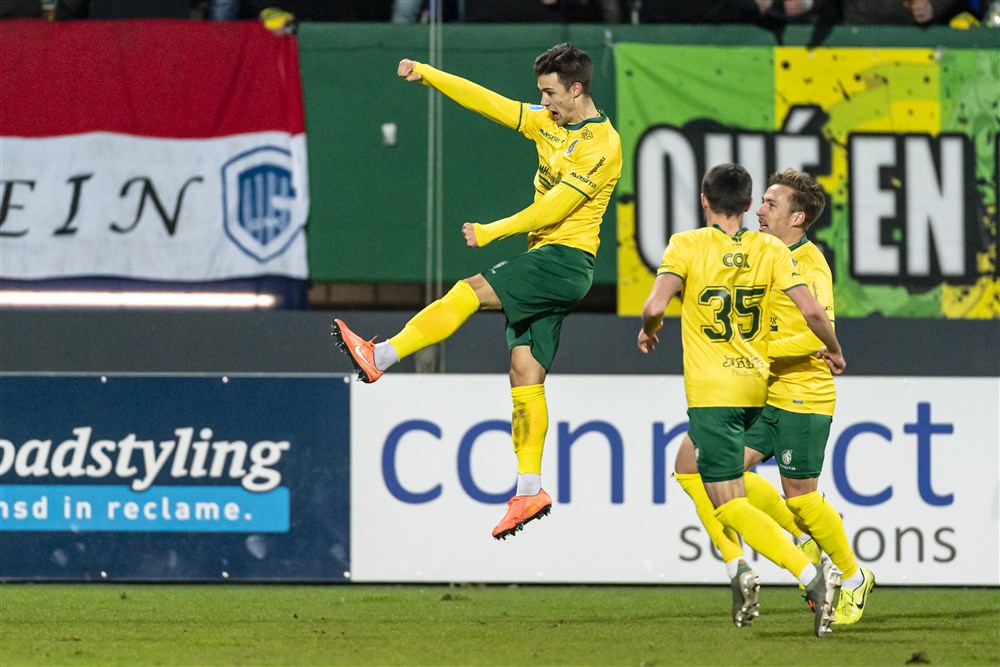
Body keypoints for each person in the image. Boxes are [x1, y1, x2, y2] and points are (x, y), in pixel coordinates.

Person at [332, 43, 622, 541]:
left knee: (468, 292)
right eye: (541, 94)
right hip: (550, 262)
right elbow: (489, 102)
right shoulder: (548, 121)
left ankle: (380, 354)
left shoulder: (602, 144)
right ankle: (529, 489)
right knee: (524, 371)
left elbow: (556, 207)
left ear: (577, 89)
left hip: (564, 260)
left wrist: (494, 230)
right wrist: (428, 73)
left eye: (551, 93)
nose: (544, 102)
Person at [637, 163, 844, 638]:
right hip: (755, 386)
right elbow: (811, 309)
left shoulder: (686, 245)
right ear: (749, 205)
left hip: (714, 391)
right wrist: (833, 348)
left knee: (727, 501)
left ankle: (806, 571)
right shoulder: (769, 249)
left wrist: (651, 330)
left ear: (704, 202)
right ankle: (739, 564)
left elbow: (653, 307)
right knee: (689, 465)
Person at [672, 168, 875, 627]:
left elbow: (816, 336)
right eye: (759, 201)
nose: (760, 210)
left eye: (771, 204)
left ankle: (853, 574)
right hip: (760, 391)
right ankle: (794, 541)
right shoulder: (760, 254)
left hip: (803, 394)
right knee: (692, 465)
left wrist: (754, 350)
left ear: (798, 217)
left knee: (803, 498)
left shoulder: (809, 262)